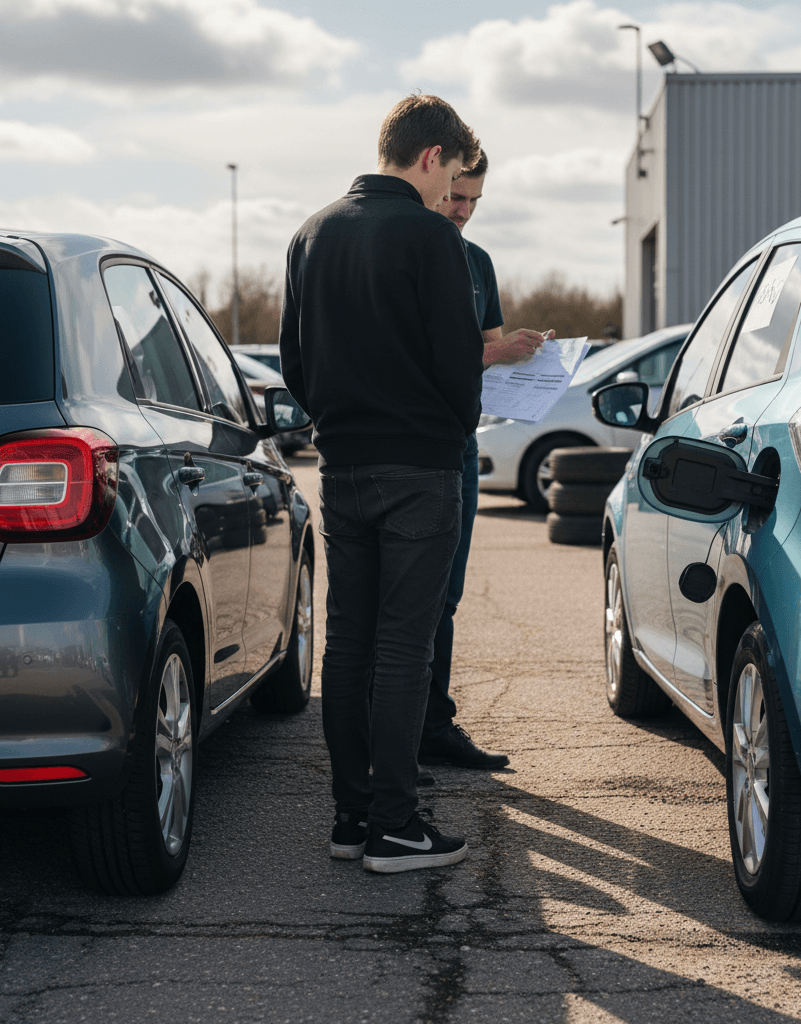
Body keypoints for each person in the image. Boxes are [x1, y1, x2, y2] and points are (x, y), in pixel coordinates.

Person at [279, 95, 483, 874]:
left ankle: (351, 816)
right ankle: (396, 827)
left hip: (341, 463)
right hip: (421, 467)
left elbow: (294, 360)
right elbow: (458, 366)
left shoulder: (311, 232)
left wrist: (337, 414)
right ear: (431, 156)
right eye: (452, 177)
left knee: (350, 638)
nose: (450, 197)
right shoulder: (432, 237)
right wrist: (445, 421)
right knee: (405, 644)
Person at [417, 150, 552, 771]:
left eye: (473, 200)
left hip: (463, 443)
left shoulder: (478, 263)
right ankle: (394, 733)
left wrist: (527, 356)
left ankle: (432, 725)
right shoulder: (408, 250)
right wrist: (491, 354)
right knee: (402, 601)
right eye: (455, 195)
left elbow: (487, 351)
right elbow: (422, 354)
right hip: (413, 448)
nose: (462, 211)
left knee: (446, 595)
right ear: (433, 181)